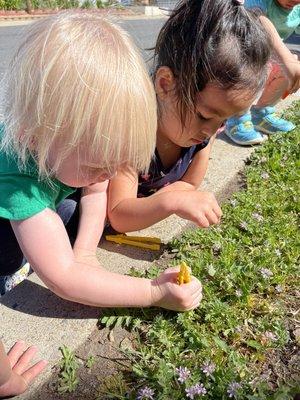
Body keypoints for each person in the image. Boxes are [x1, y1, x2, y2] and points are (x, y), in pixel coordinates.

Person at [0, 11, 202, 315]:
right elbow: (64, 279)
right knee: (25, 244)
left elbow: (95, 191)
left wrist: (83, 253)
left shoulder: (62, 148)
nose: (107, 174)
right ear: (34, 137)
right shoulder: (18, 182)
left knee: (70, 211)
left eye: (115, 161)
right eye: (97, 164)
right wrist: (153, 291)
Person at [108, 0, 272, 234]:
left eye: (224, 120)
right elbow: (119, 214)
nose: (213, 130)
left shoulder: (206, 132)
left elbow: (189, 183)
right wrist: (170, 201)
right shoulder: (134, 130)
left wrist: (174, 196)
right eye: (205, 116)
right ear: (165, 85)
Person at [225, 0, 300, 145]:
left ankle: (261, 112)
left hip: (267, 55)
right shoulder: (261, 2)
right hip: (239, 55)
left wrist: (291, 61)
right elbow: (259, 18)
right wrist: (286, 59)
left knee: (293, 64)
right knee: (256, 66)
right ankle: (236, 118)